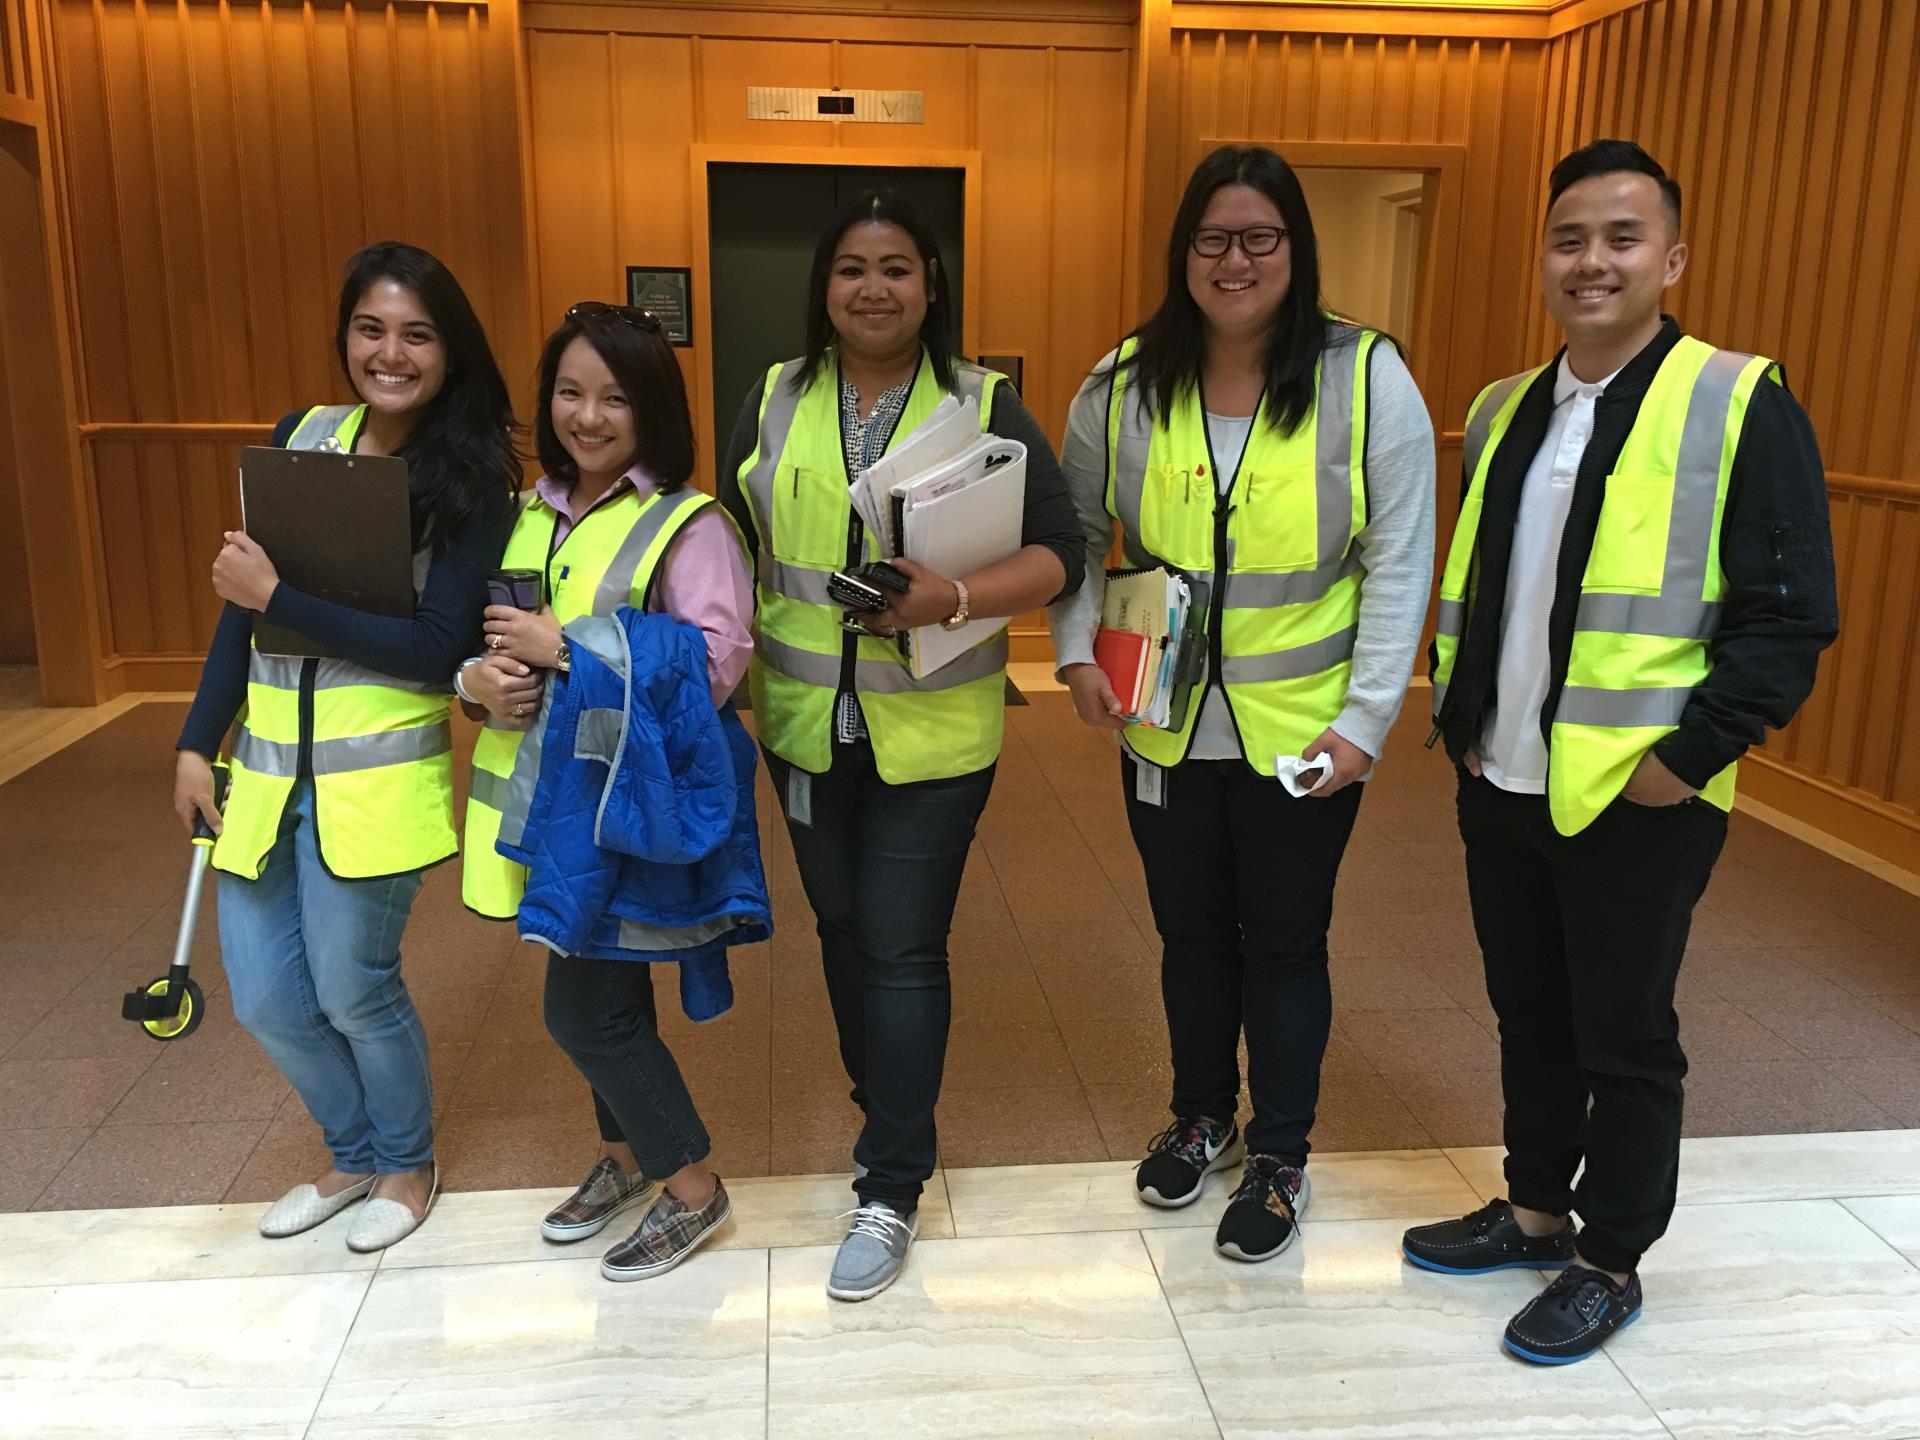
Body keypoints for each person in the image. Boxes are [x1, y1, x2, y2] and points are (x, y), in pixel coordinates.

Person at [1403, 140, 1839, 1364]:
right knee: (1526, 1012)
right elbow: (1492, 588)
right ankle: (1537, 1208)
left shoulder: (1738, 400)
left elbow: (1792, 611)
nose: (1591, 261)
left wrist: (1685, 760)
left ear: (1673, 258)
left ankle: (1609, 1258)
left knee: (1624, 1032)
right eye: (1568, 239)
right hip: (1505, 777)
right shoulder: (1506, 407)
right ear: (1543, 257)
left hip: (1640, 796)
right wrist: (1464, 732)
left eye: (1621, 238)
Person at [1049, 144, 1436, 1263]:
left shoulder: (1367, 378)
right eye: (1212, 238)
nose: (1235, 259)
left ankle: (1280, 1155)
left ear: (1295, 250)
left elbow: (1399, 556)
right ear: (1183, 254)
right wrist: (1077, 653)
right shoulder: (1122, 381)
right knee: (1186, 936)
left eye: (1259, 237)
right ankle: (1201, 1114)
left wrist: (1367, 720)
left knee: (1284, 941)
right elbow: (1072, 529)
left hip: (1302, 728)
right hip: (1159, 719)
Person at [717, 190, 1083, 1301]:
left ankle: (891, 1182)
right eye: (851, 270)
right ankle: (887, 1102)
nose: (873, 289)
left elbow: (1059, 550)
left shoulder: (984, 402)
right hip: (803, 727)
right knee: (841, 932)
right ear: (822, 289)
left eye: (897, 269)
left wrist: (958, 597)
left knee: (904, 945)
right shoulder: (773, 398)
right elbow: (727, 546)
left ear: (932, 287)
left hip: (933, 732)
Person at [172, 241, 519, 1251]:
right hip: (267, 777)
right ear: (345, 336)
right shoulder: (303, 436)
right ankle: (354, 1152)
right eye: (371, 328)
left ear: (450, 349)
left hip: (376, 783)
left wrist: (280, 596)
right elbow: (242, 615)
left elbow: (428, 650)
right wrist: (199, 741)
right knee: (268, 1002)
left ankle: (405, 1163)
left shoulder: (471, 481)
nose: (391, 352)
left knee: (352, 988)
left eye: (417, 333)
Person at [461, 302, 765, 1281]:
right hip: (546, 800)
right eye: (569, 392)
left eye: (614, 398)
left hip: (619, 811)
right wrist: (483, 682)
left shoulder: (690, 521)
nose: (587, 416)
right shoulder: (532, 508)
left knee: (582, 1011)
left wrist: (569, 652)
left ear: (652, 409)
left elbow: (717, 664)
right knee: (608, 979)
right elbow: (493, 634)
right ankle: (629, 1158)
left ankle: (692, 1186)